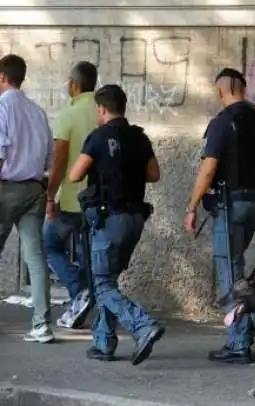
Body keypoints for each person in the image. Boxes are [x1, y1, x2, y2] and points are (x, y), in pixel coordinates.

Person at [183, 68, 255, 365]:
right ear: (244, 87)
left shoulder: (222, 123)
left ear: (220, 91)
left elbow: (209, 168)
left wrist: (192, 206)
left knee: (230, 273)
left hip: (230, 205)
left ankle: (239, 342)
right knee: (237, 266)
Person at [67, 84, 165, 365]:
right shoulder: (139, 137)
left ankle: (143, 325)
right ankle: (104, 342)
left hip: (109, 219)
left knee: (102, 284)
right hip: (135, 219)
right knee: (109, 280)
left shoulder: (98, 137)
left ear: (101, 109)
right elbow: (154, 174)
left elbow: (75, 175)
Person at [0, 54, 55, 343]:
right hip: (35, 188)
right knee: (36, 257)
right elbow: (49, 159)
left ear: (1, 77)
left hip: (6, 187)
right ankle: (42, 325)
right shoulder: (38, 112)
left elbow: (0, 152)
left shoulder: (1, 107)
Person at [45, 61, 99, 330]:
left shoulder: (69, 114)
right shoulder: (102, 111)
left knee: (48, 245)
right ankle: (89, 298)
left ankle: (79, 290)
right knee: (88, 253)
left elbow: (59, 162)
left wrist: (49, 198)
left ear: (73, 84)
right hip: (97, 199)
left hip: (70, 200)